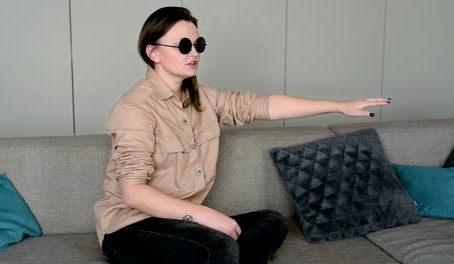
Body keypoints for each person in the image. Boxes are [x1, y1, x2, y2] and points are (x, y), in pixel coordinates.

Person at [93, 6, 391, 264]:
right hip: (129, 230)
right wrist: (207, 216)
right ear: (153, 52)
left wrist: (339, 106)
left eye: (199, 44)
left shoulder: (201, 99)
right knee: (219, 244)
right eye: (183, 45)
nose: (194, 52)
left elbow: (262, 105)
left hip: (181, 226)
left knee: (271, 223)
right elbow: (133, 193)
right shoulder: (135, 108)